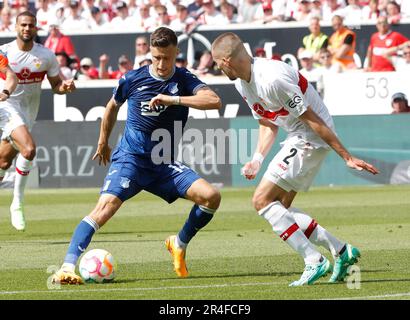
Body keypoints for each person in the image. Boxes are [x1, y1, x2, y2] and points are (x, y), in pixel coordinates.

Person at [52, 27, 222, 285]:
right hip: (130, 160)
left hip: (163, 163)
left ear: (176, 52)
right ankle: (66, 267)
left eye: (166, 57)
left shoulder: (184, 79)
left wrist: (173, 100)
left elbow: (213, 100)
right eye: (156, 57)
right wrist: (103, 142)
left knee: (211, 197)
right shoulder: (132, 79)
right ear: (150, 53)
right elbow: (111, 107)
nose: (161, 63)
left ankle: (179, 243)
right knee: (104, 209)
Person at [211, 32, 379, 286]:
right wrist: (257, 158)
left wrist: (346, 156)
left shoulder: (273, 79)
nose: (217, 68)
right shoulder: (242, 83)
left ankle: (314, 261)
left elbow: (313, 119)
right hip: (298, 136)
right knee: (281, 209)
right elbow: (267, 122)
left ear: (226, 61)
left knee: (261, 200)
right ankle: (342, 251)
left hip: (311, 137)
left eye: (216, 63)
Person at [0, 11, 75, 231]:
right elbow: (11, 78)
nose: (26, 28)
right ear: (15, 27)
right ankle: (18, 203)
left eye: (30, 25)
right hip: (5, 106)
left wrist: (65, 87)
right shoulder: (4, 51)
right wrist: (5, 92)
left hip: (27, 113)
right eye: (23, 24)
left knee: (3, 162)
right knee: (30, 149)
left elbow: (56, 86)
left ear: (35, 28)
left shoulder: (46, 56)